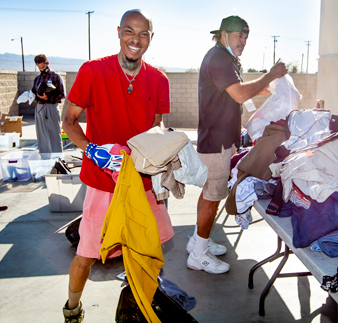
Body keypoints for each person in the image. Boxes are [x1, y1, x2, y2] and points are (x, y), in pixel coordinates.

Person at [61, 9, 174, 322]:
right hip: (102, 181)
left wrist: (165, 150)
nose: (135, 40)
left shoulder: (159, 79)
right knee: (86, 254)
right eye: (129, 31)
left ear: (151, 38)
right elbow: (68, 121)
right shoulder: (92, 71)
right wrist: (92, 150)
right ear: (118, 32)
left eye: (143, 34)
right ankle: (72, 308)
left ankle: (136, 307)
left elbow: (157, 128)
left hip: (142, 181)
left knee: (149, 251)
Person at [186, 15, 287, 274]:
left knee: (209, 194)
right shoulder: (219, 58)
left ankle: (198, 241)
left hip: (220, 139)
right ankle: (198, 255)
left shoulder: (225, 58)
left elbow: (240, 90)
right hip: (217, 143)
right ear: (223, 35)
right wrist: (271, 74)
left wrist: (269, 85)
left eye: (245, 36)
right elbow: (240, 93)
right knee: (212, 198)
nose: (243, 40)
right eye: (238, 35)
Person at [32, 54, 65, 155]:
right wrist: (35, 96)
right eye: (39, 68)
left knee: (54, 134)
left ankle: (57, 159)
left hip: (51, 107)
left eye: (43, 67)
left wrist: (49, 98)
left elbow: (62, 94)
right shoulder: (37, 79)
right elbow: (33, 92)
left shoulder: (55, 77)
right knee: (41, 134)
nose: (41, 69)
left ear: (47, 63)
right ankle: (44, 158)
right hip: (39, 107)